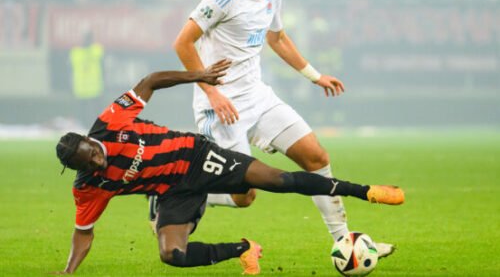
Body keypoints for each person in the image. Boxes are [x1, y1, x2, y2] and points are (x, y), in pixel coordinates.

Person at [54, 59, 404, 275]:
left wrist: (199, 76)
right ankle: (245, 249)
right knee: (171, 255)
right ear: (78, 168)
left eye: (95, 153)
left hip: (195, 157)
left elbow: (150, 80)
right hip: (172, 192)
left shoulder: (110, 122)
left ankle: (367, 191)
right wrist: (69, 272)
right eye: (91, 164)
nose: (100, 161)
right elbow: (83, 232)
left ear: (89, 140)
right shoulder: (88, 186)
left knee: (277, 180)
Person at [171, 0, 396, 257]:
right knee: (244, 196)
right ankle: (180, 188)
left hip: (258, 97)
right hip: (221, 108)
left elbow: (277, 39)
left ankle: (344, 242)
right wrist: (211, 92)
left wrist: (314, 75)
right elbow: (182, 42)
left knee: (316, 156)